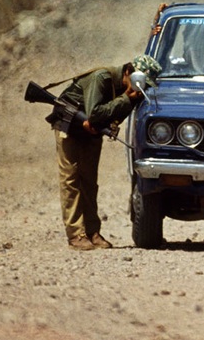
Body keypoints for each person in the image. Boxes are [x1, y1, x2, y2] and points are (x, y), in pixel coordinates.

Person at [52, 54, 162, 251]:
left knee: (89, 182)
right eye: (141, 82)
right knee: (70, 181)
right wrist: (125, 98)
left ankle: (92, 232)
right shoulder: (102, 78)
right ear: (129, 73)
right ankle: (76, 235)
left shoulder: (133, 91)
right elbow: (94, 113)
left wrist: (121, 108)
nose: (142, 88)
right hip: (70, 126)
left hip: (92, 132)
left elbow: (113, 116)